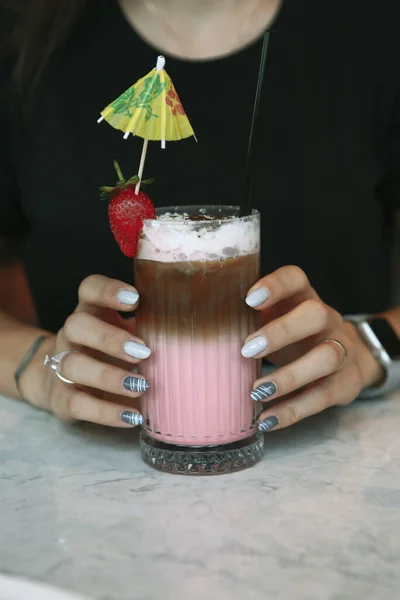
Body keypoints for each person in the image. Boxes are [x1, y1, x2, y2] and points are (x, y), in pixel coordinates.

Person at [0, 0, 399, 431]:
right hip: (74, 465)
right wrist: (37, 366)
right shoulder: (17, 36)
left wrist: (371, 346)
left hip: (332, 458)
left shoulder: (378, 25)